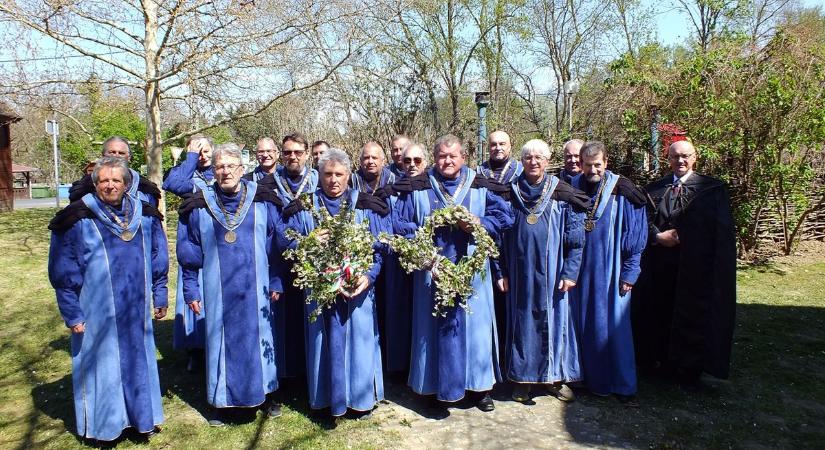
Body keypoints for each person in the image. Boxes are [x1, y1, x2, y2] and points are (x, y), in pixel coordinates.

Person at [48, 156, 168, 442]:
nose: (110, 185)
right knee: (103, 366)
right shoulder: (77, 219)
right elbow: (63, 271)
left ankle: (140, 420)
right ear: (95, 184)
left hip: (136, 310)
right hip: (97, 311)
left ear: (126, 184)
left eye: (116, 180)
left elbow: (158, 258)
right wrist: (73, 314)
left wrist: (159, 293)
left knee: (137, 362)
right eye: (104, 180)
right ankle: (106, 427)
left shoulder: (146, 216)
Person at [393, 134, 513, 413]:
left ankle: (479, 388)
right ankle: (434, 389)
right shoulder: (419, 187)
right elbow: (399, 223)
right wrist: (424, 238)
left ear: (463, 157)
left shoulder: (480, 186)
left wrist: (479, 223)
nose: (448, 161)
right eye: (442, 156)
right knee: (431, 330)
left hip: (473, 272)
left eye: (453, 155)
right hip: (432, 271)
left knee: (476, 329)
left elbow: (506, 217)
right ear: (434, 158)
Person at [176, 143, 284, 425]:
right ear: (213, 171)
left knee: (260, 340)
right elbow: (189, 253)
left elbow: (276, 245)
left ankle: (267, 395)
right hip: (217, 290)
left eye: (231, 166)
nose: (226, 172)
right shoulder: (199, 205)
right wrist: (190, 288)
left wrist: (276, 281)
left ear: (241, 169)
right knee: (220, 342)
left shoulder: (263, 201)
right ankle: (222, 404)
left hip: (256, 289)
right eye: (220, 167)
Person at [280, 148, 390, 417]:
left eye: (339, 174)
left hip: (358, 289)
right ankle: (325, 399)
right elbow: (282, 240)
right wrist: (306, 242)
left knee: (359, 342)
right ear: (318, 175)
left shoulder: (365, 204)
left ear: (349, 175)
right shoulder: (303, 207)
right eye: (327, 174)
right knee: (322, 341)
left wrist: (370, 276)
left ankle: (360, 399)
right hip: (319, 289)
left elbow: (382, 246)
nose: (333, 180)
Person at [633, 140, 736, 389]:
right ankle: (659, 362)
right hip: (659, 268)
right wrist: (657, 237)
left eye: (685, 156)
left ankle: (689, 368)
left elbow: (719, 233)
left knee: (691, 317)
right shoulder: (653, 190)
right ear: (667, 159)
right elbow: (638, 223)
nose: (680, 161)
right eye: (675, 156)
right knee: (658, 314)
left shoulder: (712, 191)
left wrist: (687, 240)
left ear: (695, 157)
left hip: (695, 269)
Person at [496, 139, 590, 403]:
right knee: (522, 325)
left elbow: (575, 237)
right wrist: (499, 271)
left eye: (539, 157)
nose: (534, 162)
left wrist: (570, 272)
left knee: (555, 323)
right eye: (528, 158)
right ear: (521, 161)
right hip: (518, 274)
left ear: (548, 161)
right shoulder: (508, 193)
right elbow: (496, 238)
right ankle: (521, 381)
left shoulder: (563, 194)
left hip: (554, 274)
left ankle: (555, 379)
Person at [568, 141, 648, 403]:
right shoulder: (573, 186)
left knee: (614, 325)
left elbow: (635, 233)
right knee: (580, 323)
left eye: (598, 165)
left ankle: (620, 383)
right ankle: (585, 378)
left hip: (611, 268)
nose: (593, 170)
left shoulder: (622, 190)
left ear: (607, 162)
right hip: (579, 268)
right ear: (580, 163)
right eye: (588, 165)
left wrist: (630, 271)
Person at [261, 132, 318, 381]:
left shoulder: (319, 179)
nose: (292, 156)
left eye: (297, 152)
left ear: (307, 154)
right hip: (281, 261)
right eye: (287, 152)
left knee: (312, 317)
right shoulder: (269, 184)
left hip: (316, 261)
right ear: (281, 155)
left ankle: (311, 373)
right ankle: (286, 375)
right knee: (284, 320)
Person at [163, 134, 215, 370]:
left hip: (216, 243)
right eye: (198, 151)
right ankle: (195, 348)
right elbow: (171, 184)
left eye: (206, 150)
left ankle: (213, 343)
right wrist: (190, 158)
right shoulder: (187, 174)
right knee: (195, 295)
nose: (203, 156)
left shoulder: (222, 173)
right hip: (192, 242)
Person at [68, 136, 161, 206]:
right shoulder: (83, 187)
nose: (116, 156)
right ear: (103, 155)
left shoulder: (146, 188)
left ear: (129, 158)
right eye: (112, 152)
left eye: (121, 153)